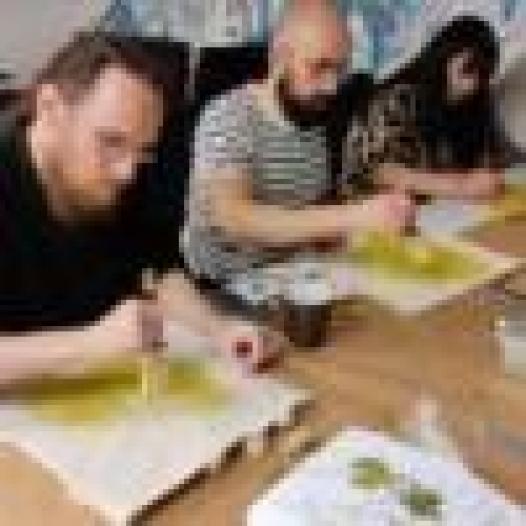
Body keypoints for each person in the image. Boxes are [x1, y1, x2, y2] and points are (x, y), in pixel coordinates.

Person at [0, 32, 272, 386]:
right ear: (49, 108)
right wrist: (88, 345)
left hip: (90, 394)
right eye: (110, 141)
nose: (127, 172)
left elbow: (158, 267)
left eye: (143, 151)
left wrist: (217, 329)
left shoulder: (130, 167)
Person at [183, 0, 414, 303]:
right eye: (319, 67)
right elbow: (236, 218)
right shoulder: (229, 115)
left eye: (340, 69)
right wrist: (353, 217)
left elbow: (309, 214)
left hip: (295, 282)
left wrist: (365, 226)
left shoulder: (312, 116)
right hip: (223, 294)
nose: (332, 86)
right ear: (279, 57)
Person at [345, 15, 508, 201]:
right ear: (445, 58)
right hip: (374, 209)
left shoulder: (478, 102)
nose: (473, 84)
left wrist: (484, 176)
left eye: (483, 74)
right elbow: (380, 172)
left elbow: (489, 160)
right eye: (468, 69)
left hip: (442, 208)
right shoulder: (397, 98)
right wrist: (460, 186)